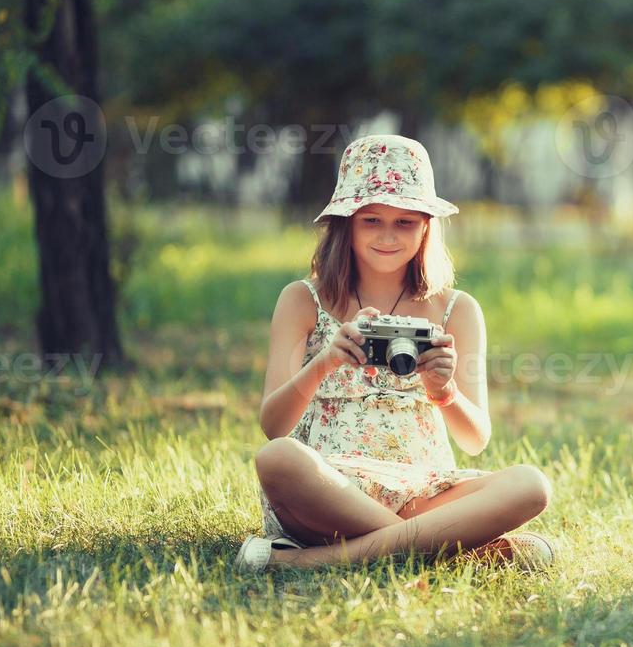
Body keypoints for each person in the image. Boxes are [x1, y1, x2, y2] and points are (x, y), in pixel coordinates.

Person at [235, 135, 554, 572]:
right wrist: (326, 361)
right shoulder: (302, 299)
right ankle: (453, 553)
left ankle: (310, 563)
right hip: (331, 491)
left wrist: (443, 391)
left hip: (427, 492)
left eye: (406, 222)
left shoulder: (457, 309)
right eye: (372, 220)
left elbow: (475, 440)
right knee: (277, 459)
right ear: (347, 224)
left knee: (531, 485)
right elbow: (274, 427)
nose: (388, 236)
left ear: (427, 226)